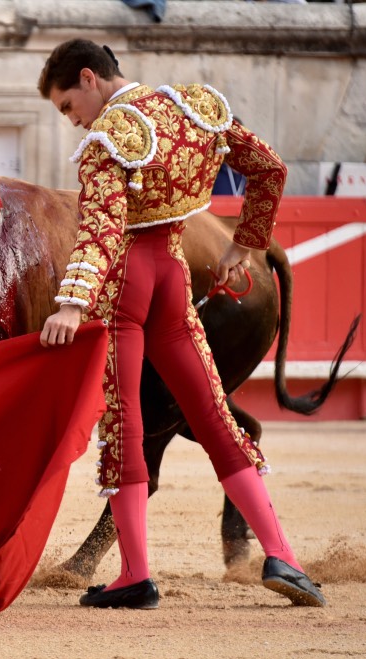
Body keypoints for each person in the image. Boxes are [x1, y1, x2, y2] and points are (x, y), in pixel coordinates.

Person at [36, 39, 325, 609]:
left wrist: (71, 303)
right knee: (216, 417)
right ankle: (283, 555)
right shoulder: (196, 106)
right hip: (174, 276)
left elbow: (100, 234)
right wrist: (246, 244)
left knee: (126, 430)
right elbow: (269, 168)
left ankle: (135, 575)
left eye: (68, 107)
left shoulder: (106, 141)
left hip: (127, 289)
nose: (73, 122)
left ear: (89, 79)